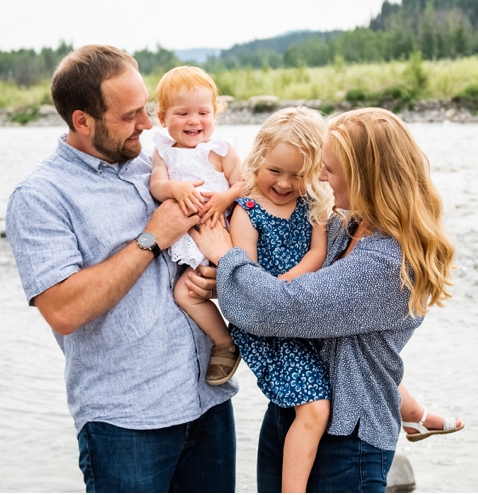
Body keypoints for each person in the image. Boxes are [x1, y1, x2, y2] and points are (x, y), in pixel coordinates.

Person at [5, 45, 237, 493]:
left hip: (207, 406)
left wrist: (218, 277)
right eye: (130, 116)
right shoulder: (40, 196)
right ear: (82, 121)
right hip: (126, 424)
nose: (148, 125)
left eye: (146, 109)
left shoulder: (157, 165)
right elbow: (64, 311)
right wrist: (152, 239)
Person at [190, 107, 455, 492]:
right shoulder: (347, 224)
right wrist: (229, 280)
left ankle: (414, 416)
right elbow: (280, 275)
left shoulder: (387, 263)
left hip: (349, 438)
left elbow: (278, 308)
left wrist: (224, 256)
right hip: (292, 407)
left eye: (329, 168)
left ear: (366, 176)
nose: (319, 178)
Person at [228, 107, 334, 492]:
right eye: (275, 171)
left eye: (299, 174)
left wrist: (285, 288)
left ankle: (413, 415)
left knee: (350, 371)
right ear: (257, 160)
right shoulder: (247, 210)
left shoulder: (314, 206)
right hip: (266, 326)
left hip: (301, 313)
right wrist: (278, 295)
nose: (286, 183)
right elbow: (247, 279)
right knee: (315, 407)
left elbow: (317, 253)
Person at [149, 66, 244, 386]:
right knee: (185, 292)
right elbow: (157, 186)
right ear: (162, 118)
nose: (194, 120)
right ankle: (225, 343)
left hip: (225, 233)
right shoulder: (163, 153)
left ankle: (259, 331)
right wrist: (176, 189)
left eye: (203, 112)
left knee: (239, 284)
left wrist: (223, 198)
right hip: (191, 240)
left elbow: (245, 184)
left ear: (215, 113)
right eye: (182, 113)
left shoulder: (219, 149)